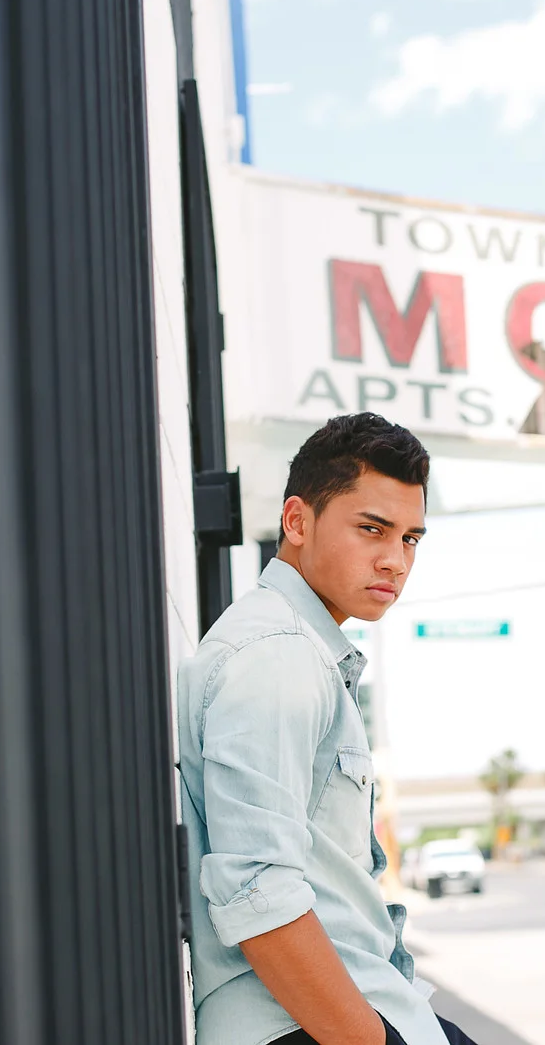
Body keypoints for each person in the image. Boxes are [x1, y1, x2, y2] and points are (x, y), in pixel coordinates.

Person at [178, 414, 480, 1045]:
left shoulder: (299, 652)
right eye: (372, 529)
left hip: (346, 1009)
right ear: (297, 521)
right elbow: (257, 891)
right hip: (299, 1025)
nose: (395, 560)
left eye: (410, 539)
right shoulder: (276, 656)